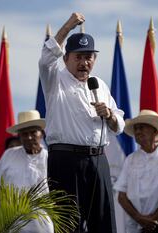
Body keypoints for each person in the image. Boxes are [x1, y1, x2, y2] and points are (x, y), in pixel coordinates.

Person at [39, 12, 125, 233]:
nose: (84, 62)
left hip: (97, 161)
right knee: (68, 225)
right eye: (78, 56)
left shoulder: (100, 85)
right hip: (65, 161)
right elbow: (47, 56)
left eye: (89, 57)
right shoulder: (54, 79)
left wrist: (110, 116)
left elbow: (119, 125)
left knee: (104, 223)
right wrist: (68, 25)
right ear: (65, 58)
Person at [114, 110, 158, 233]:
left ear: (154, 130)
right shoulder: (130, 159)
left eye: (142, 127)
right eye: (136, 128)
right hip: (135, 226)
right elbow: (121, 196)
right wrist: (139, 218)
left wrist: (153, 219)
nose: (138, 131)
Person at [0, 110, 53, 233]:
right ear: (19, 136)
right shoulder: (9, 155)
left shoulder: (51, 158)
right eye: (24, 134)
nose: (29, 137)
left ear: (41, 133)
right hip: (12, 224)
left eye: (33, 132)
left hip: (43, 225)